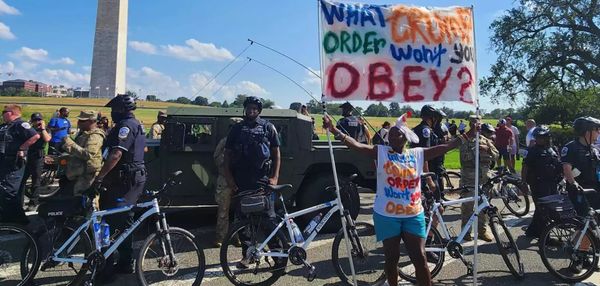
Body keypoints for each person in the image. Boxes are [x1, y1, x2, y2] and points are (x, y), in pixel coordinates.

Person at [323, 112, 475, 286]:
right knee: (391, 258)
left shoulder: (418, 154)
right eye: (392, 134)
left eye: (398, 133)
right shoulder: (381, 152)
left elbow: (445, 147)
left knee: (419, 256)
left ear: (406, 137)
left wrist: (469, 134)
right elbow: (357, 145)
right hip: (386, 216)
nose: (394, 136)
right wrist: (334, 129)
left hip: (413, 215)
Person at [93, 94, 146, 277]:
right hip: (127, 178)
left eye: (114, 109)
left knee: (113, 221)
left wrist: (99, 177)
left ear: (122, 109)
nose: (112, 113)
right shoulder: (134, 124)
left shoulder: (126, 126)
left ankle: (107, 267)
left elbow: (116, 154)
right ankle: (124, 262)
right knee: (124, 222)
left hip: (124, 180)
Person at [459, 115, 498, 242]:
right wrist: (476, 152)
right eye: (474, 123)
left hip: (484, 179)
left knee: (483, 207)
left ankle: (482, 231)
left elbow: (496, 155)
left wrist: (487, 149)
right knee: (468, 207)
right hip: (469, 179)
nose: (477, 126)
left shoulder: (484, 140)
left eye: (479, 123)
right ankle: (465, 231)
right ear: (470, 124)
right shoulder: (465, 140)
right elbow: (463, 159)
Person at [0, 104, 40, 224]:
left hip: (14, 163)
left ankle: (20, 221)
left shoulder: (20, 124)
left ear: (11, 113)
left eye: (4, 112)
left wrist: (22, 148)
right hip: (3, 162)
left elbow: (35, 136)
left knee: (9, 191)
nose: (2, 114)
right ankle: (7, 217)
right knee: (2, 190)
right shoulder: (5, 126)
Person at [521, 125, 562, 238]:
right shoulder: (533, 151)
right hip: (538, 184)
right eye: (538, 137)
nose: (540, 139)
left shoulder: (553, 149)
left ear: (548, 137)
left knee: (543, 210)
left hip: (552, 184)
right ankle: (545, 237)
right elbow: (525, 167)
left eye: (542, 137)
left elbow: (558, 164)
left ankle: (532, 231)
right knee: (544, 211)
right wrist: (523, 183)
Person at [60, 110, 106, 196]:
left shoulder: (95, 136)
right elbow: (77, 152)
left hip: (87, 177)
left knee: (84, 201)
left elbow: (88, 154)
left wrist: (71, 143)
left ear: (92, 121)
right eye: (79, 120)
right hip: (79, 173)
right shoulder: (84, 133)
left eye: (83, 121)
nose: (79, 123)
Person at [213, 117, 243, 247]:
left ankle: (237, 236)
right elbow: (216, 158)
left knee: (239, 212)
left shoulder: (244, 142)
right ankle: (221, 237)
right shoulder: (224, 142)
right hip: (225, 180)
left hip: (240, 180)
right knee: (223, 211)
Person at [561, 117, 600, 215]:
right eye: (596, 130)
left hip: (594, 188)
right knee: (585, 220)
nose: (599, 132)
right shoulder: (571, 147)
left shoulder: (593, 149)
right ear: (587, 132)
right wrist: (574, 184)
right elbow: (567, 169)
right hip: (580, 190)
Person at [19, 113, 51, 211]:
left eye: (39, 120)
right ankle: (19, 202)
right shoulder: (30, 129)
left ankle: (33, 202)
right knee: (22, 180)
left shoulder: (45, 130)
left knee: (35, 181)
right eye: (35, 120)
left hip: (38, 156)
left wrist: (43, 128)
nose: (37, 122)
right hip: (28, 155)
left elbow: (47, 139)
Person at [411, 105, 439, 194]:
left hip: (417, 170)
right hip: (426, 172)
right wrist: (429, 179)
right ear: (431, 117)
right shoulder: (425, 130)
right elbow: (423, 155)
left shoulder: (417, 129)